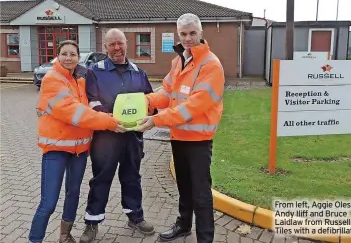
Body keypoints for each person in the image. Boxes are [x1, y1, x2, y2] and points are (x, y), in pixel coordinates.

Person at [137, 13, 225, 243]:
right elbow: (167, 91)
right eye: (183, 34)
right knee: (184, 187)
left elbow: (193, 107)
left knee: (201, 193)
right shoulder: (179, 61)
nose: (188, 38)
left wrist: (157, 119)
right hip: (178, 136)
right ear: (178, 34)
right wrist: (144, 102)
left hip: (198, 140)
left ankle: (205, 238)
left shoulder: (211, 65)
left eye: (192, 33)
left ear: (201, 33)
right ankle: (184, 225)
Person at [29, 40, 127, 243]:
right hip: (56, 150)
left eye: (72, 54)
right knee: (48, 202)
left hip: (80, 150)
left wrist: (114, 112)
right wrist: (109, 122)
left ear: (78, 57)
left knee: (73, 194)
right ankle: (34, 239)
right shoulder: (52, 80)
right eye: (64, 54)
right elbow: (75, 112)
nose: (68, 58)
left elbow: (91, 109)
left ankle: (65, 236)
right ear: (57, 56)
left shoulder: (79, 80)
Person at [79, 28, 155, 243]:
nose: (117, 48)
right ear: (105, 47)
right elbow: (91, 102)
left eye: (119, 43)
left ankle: (135, 216)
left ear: (126, 43)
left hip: (133, 136)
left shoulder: (138, 71)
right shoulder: (95, 71)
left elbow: (149, 100)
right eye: (111, 44)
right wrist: (110, 121)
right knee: (101, 179)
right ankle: (92, 222)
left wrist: (151, 116)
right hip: (107, 136)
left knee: (132, 177)